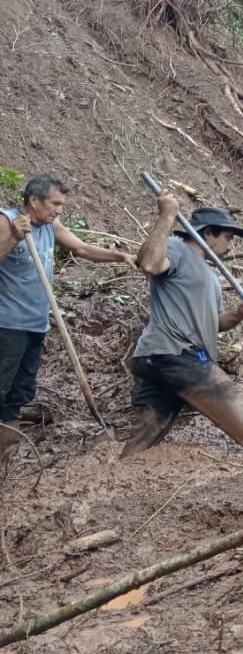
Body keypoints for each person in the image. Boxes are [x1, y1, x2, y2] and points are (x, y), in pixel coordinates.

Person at [121, 194, 243, 455]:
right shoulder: (176, 248)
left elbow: (213, 323)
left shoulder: (209, 274)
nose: (230, 246)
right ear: (207, 232)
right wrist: (167, 216)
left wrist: (239, 313)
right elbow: (148, 263)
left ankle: (118, 475)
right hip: (175, 353)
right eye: (227, 237)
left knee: (145, 440)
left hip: (159, 358)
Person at [0, 175, 134, 464]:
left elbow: (82, 248)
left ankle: (6, 453)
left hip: (36, 323)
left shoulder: (50, 226)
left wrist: (120, 256)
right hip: (7, 324)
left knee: (20, 391)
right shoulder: (6, 221)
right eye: (55, 203)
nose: (60, 210)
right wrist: (13, 235)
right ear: (34, 201)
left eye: (62, 204)